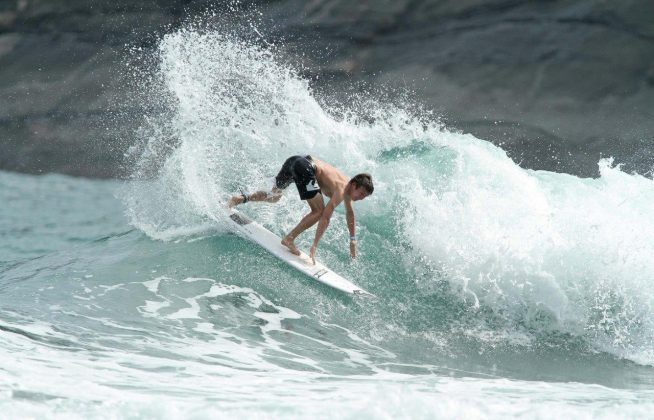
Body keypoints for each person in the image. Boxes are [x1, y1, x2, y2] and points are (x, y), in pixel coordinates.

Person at [228, 155, 373, 264]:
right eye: (361, 194)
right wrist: (315, 245)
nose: (361, 198)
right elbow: (325, 217)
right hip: (305, 168)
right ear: (354, 185)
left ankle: (240, 198)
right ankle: (289, 239)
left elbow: (350, 213)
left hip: (296, 160)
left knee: (274, 197)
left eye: (364, 197)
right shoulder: (342, 190)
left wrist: (353, 239)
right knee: (319, 211)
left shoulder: (347, 185)